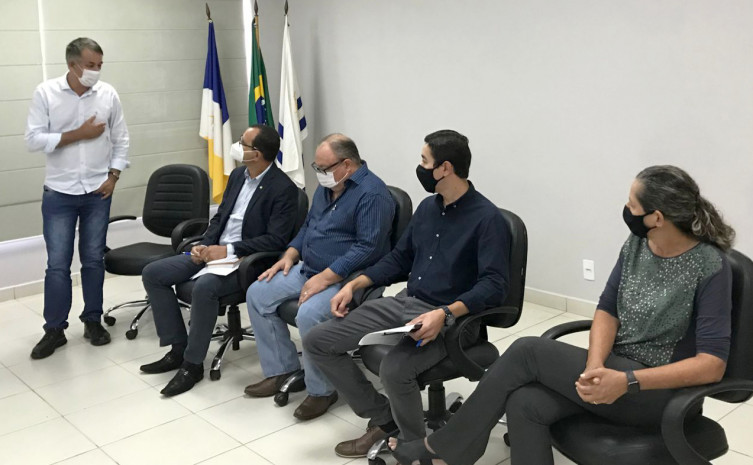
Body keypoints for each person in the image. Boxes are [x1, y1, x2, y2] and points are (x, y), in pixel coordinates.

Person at [388, 165, 735, 465]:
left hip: (658, 393)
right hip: (615, 369)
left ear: (657, 218)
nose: (626, 210)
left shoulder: (709, 267)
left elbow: (712, 365)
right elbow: (607, 309)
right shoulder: (638, 244)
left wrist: (626, 381)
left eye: (632, 205)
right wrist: (595, 366)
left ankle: (443, 447)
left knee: (527, 350)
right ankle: (453, 448)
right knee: (525, 402)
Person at [302, 129, 510, 458]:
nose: (420, 167)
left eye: (424, 161)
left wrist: (444, 313)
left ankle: (417, 452)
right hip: (407, 302)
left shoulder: (487, 219)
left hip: (454, 318)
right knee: (318, 340)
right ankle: (386, 420)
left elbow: (494, 285)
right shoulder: (428, 208)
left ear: (445, 168)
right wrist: (356, 283)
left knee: (395, 369)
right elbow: (400, 259)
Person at [138, 125, 299, 397]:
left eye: (243, 143)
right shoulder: (237, 176)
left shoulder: (283, 188)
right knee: (153, 273)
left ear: (257, 154)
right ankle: (178, 349)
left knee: (204, 288)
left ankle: (192, 366)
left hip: (246, 261)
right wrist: (205, 244)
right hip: (214, 253)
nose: (237, 146)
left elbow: (275, 240)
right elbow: (220, 217)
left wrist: (227, 250)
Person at [244, 133, 394, 420]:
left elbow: (369, 247)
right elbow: (308, 226)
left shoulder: (373, 194)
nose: (319, 174)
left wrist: (326, 277)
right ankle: (281, 370)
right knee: (257, 293)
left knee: (309, 314)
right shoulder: (329, 187)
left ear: (347, 165)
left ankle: (322, 391)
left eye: (324, 168)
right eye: (317, 167)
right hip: (310, 268)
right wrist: (290, 254)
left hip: (348, 279)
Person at [25, 37, 130, 359]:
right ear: (72, 64)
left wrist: (113, 177)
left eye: (100, 65)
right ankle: (54, 330)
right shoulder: (46, 92)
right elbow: (33, 139)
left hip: (98, 192)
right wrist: (78, 135)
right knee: (57, 264)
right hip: (59, 192)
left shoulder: (108, 94)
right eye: (90, 65)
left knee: (93, 259)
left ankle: (92, 320)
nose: (96, 71)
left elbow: (122, 139)